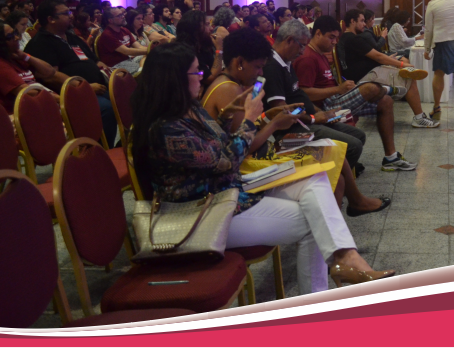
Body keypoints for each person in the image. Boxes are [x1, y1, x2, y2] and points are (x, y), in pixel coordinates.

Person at [130, 42, 394, 294]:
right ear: (175, 79)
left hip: (227, 192)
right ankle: (318, 296)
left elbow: (217, 142)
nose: (202, 77)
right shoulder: (166, 129)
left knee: (315, 177)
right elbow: (224, 161)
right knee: (316, 221)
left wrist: (228, 114)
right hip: (205, 213)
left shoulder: (189, 109)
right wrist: (248, 120)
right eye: (196, 72)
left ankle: (346, 258)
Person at [260, 21, 396, 210]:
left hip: (307, 120)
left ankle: (335, 188)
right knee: (352, 145)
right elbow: (282, 113)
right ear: (290, 40)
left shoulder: (286, 62)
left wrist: (320, 112)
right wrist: (314, 118)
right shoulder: (272, 67)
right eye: (301, 45)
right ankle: (337, 193)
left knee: (358, 135)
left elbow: (299, 97)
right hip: (289, 135)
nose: (303, 51)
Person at [297, 16, 417, 173]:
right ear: (318, 33)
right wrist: (338, 89)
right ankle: (390, 89)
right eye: (331, 37)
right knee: (370, 89)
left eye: (336, 38)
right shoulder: (308, 59)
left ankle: (391, 158)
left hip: (335, 99)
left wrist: (341, 89)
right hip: (326, 108)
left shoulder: (320, 54)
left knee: (385, 102)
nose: (334, 42)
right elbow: (304, 94)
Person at [24, 0, 117, 147]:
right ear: (51, 19)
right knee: (106, 108)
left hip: (98, 85)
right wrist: (84, 87)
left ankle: (124, 146)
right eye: (66, 13)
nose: (71, 15)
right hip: (71, 93)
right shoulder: (41, 43)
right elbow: (51, 77)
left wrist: (105, 70)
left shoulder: (71, 37)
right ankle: (98, 151)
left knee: (127, 98)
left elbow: (94, 60)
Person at [338, 9, 438, 129]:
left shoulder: (346, 38)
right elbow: (378, 57)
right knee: (409, 77)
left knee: (407, 73)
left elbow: (368, 58)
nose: (364, 24)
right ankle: (419, 119)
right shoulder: (354, 39)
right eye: (362, 21)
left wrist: (390, 60)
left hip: (365, 73)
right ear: (352, 21)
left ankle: (414, 110)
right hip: (364, 77)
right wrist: (401, 64)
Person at [0, 20, 57, 113]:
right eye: (10, 36)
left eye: (15, 33)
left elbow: (49, 72)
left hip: (38, 105)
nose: (17, 37)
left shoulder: (14, 56)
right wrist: (62, 99)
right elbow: (26, 92)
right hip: (17, 114)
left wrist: (25, 56)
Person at [176, 9, 224, 88]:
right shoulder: (185, 51)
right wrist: (219, 49)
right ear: (195, 28)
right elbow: (210, 78)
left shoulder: (201, 46)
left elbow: (215, 68)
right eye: (207, 24)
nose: (211, 28)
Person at [97, 7, 147, 74]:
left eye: (123, 14)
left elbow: (139, 47)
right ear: (110, 20)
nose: (123, 16)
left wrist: (151, 50)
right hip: (116, 65)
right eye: (119, 15)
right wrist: (149, 50)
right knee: (147, 67)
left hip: (128, 60)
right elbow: (127, 51)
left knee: (153, 58)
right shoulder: (107, 34)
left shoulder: (124, 30)